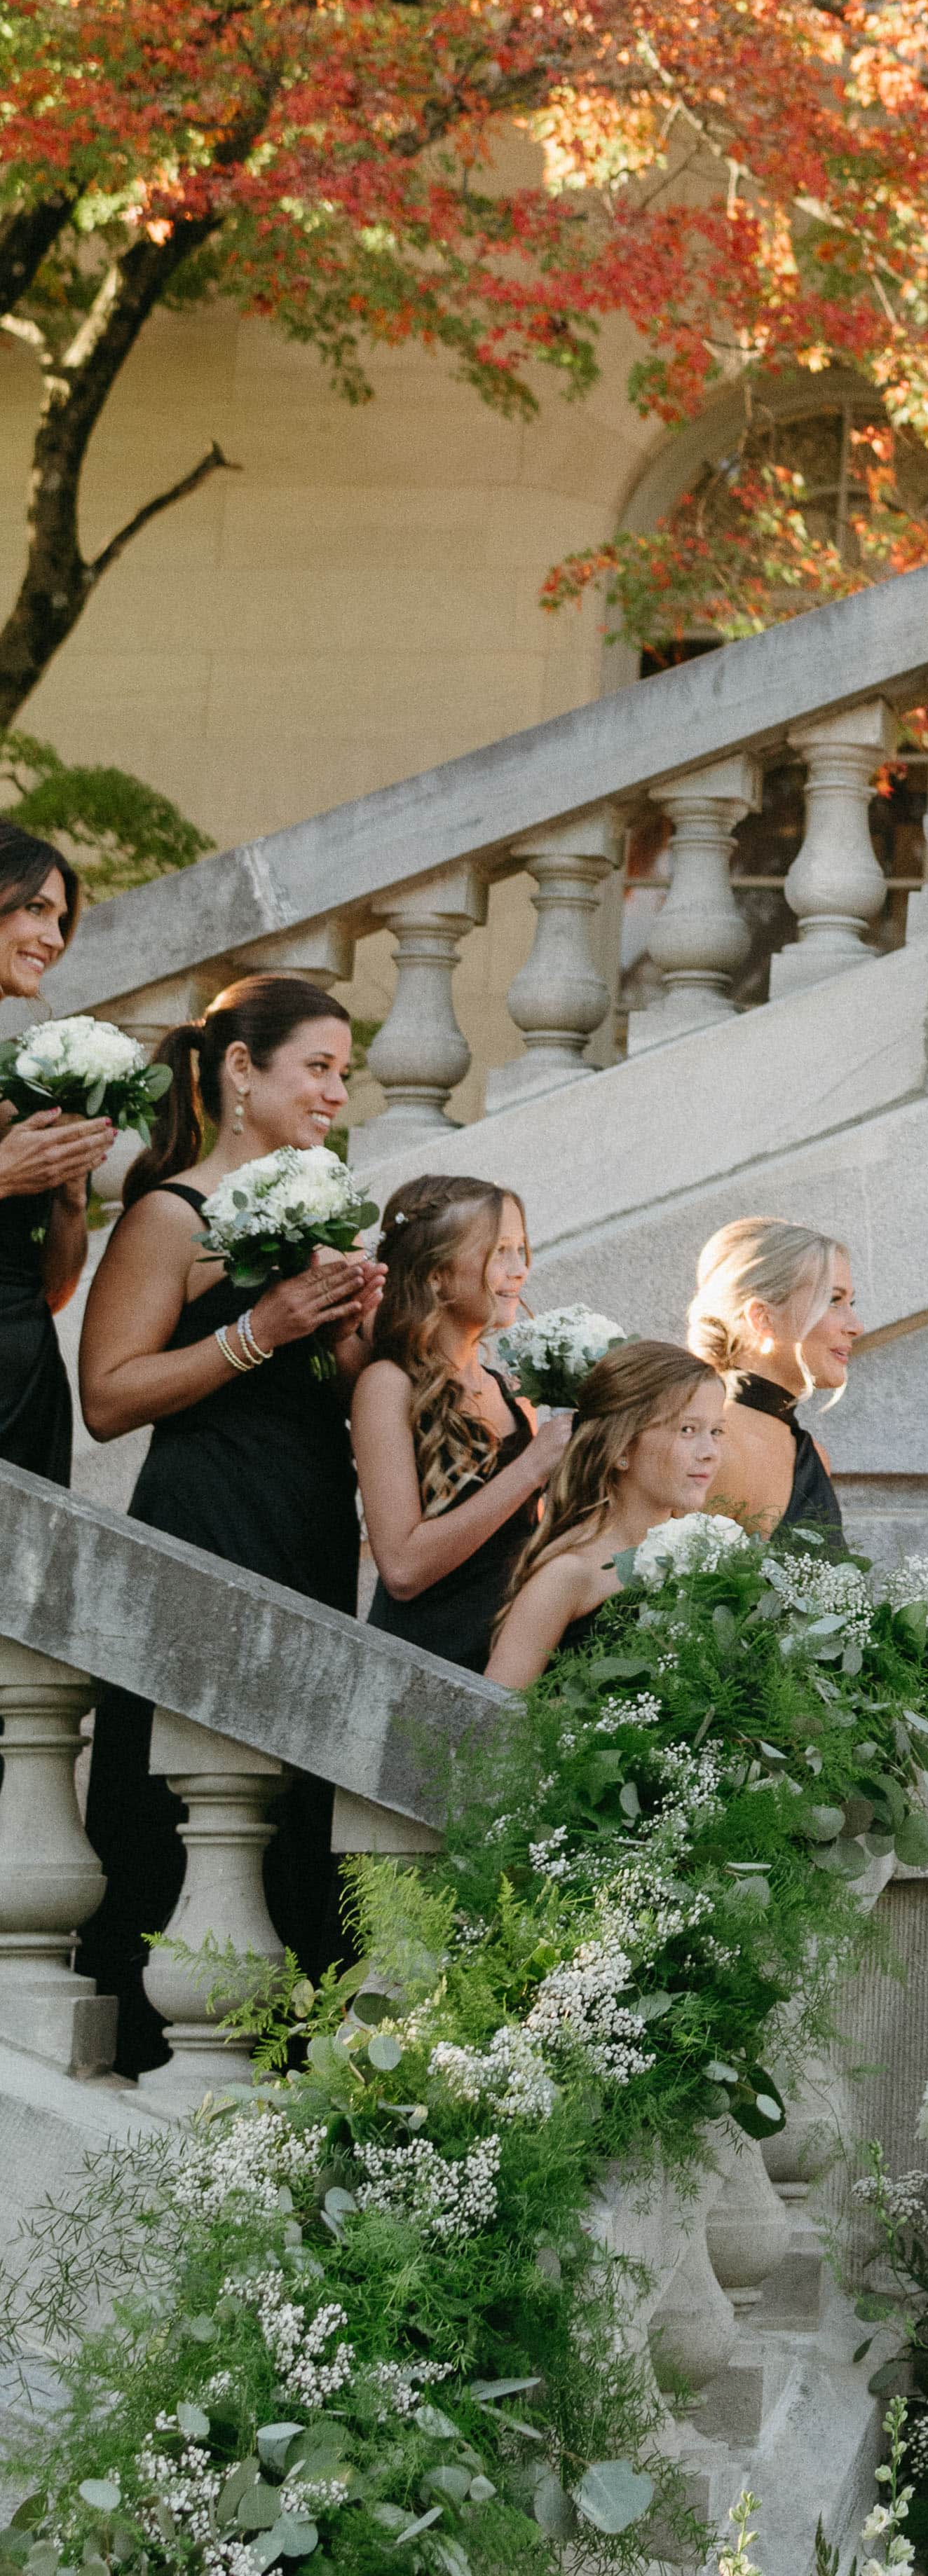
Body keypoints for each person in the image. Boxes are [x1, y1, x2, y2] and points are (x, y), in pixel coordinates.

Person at [74, 969, 383, 2065]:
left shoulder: (324, 1209)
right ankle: (165, 2038)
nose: (336, 1092)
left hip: (308, 1510)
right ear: (240, 1070)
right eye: (317, 1067)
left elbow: (341, 1390)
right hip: (206, 1510)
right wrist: (260, 1327)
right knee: (194, 1771)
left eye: (344, 1073)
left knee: (295, 1778)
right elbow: (108, 1397)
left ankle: (287, 2039)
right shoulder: (170, 1212)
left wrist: (353, 1332)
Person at [356, 1179, 559, 1674]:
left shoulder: (511, 1390)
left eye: (520, 1249)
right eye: (499, 1253)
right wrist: (532, 1466)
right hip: (421, 1663)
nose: (520, 1270)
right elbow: (401, 1567)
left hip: (501, 1661)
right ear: (437, 1276)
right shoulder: (388, 1385)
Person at [485, 1335, 734, 1688]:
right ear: (622, 1448)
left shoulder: (701, 1557)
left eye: (717, 1431)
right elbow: (494, 1720)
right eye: (687, 1430)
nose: (709, 1451)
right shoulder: (569, 1574)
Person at [0, 831, 114, 1494]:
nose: (55, 936)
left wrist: (71, 1196)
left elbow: (52, 1289)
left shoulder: (26, 1081)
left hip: (30, 1380)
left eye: (61, 918)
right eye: (37, 909)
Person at [688, 1217, 859, 1548]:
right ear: (763, 1317)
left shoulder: (813, 1456)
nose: (856, 1325)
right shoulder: (711, 1450)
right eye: (833, 1300)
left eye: (852, 1303)